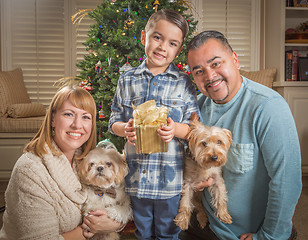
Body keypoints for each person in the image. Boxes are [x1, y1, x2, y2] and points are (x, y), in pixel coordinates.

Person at [179, 30, 302, 240]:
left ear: (235, 60)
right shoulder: (196, 109)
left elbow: (287, 181)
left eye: (216, 63)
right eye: (199, 71)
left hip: (247, 234)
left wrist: (268, 237)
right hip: (207, 222)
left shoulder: (269, 108)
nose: (210, 76)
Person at [108, 9, 200, 240]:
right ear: (144, 37)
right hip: (136, 177)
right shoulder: (126, 79)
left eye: (172, 43)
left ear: (178, 50)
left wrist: (175, 130)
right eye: (157, 37)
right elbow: (114, 120)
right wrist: (124, 129)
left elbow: (194, 129)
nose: (162, 47)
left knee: (168, 233)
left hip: (169, 179)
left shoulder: (184, 83)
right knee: (143, 231)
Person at [0, 85, 123, 240]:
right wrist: (91, 229)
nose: (77, 125)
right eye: (68, 114)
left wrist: (115, 224)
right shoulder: (30, 170)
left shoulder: (88, 161)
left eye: (86, 117)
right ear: (52, 119)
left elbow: (116, 205)